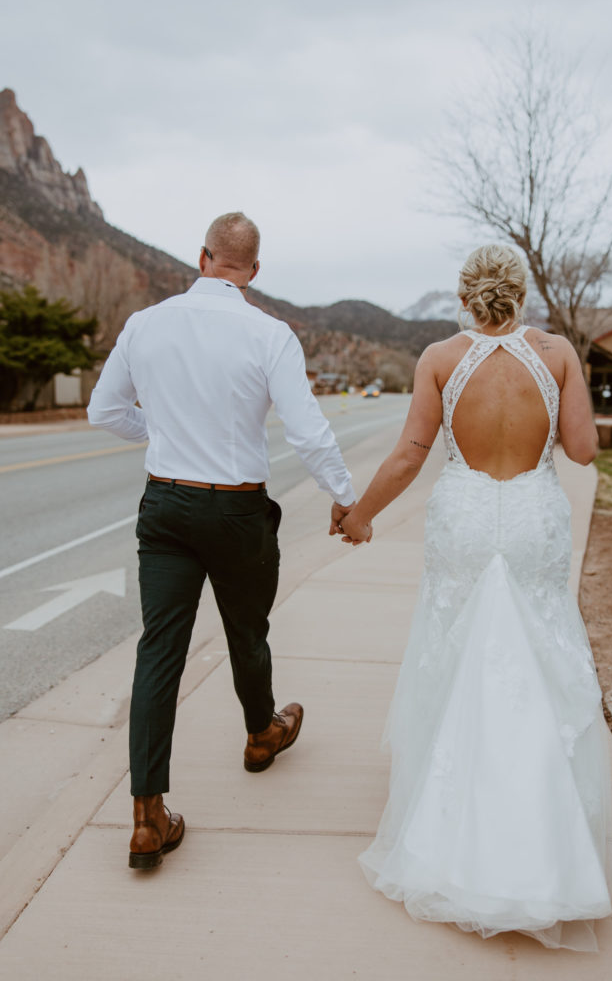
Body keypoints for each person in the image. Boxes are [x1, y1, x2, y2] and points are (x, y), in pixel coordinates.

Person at [338, 244, 612, 952]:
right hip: (529, 518)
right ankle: (542, 840)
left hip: (462, 517)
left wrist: (361, 514)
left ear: (463, 294)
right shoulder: (554, 354)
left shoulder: (436, 357)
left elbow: (407, 455)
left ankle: (450, 832)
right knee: (536, 663)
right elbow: (581, 450)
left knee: (455, 657)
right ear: (519, 293)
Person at [88, 212, 356, 870]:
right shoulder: (269, 333)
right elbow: (307, 430)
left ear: (202, 257)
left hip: (167, 507)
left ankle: (147, 816)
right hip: (236, 512)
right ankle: (260, 734)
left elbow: (104, 412)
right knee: (246, 629)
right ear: (252, 271)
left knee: (159, 652)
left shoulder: (145, 325)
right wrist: (346, 496)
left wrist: (164, 434)